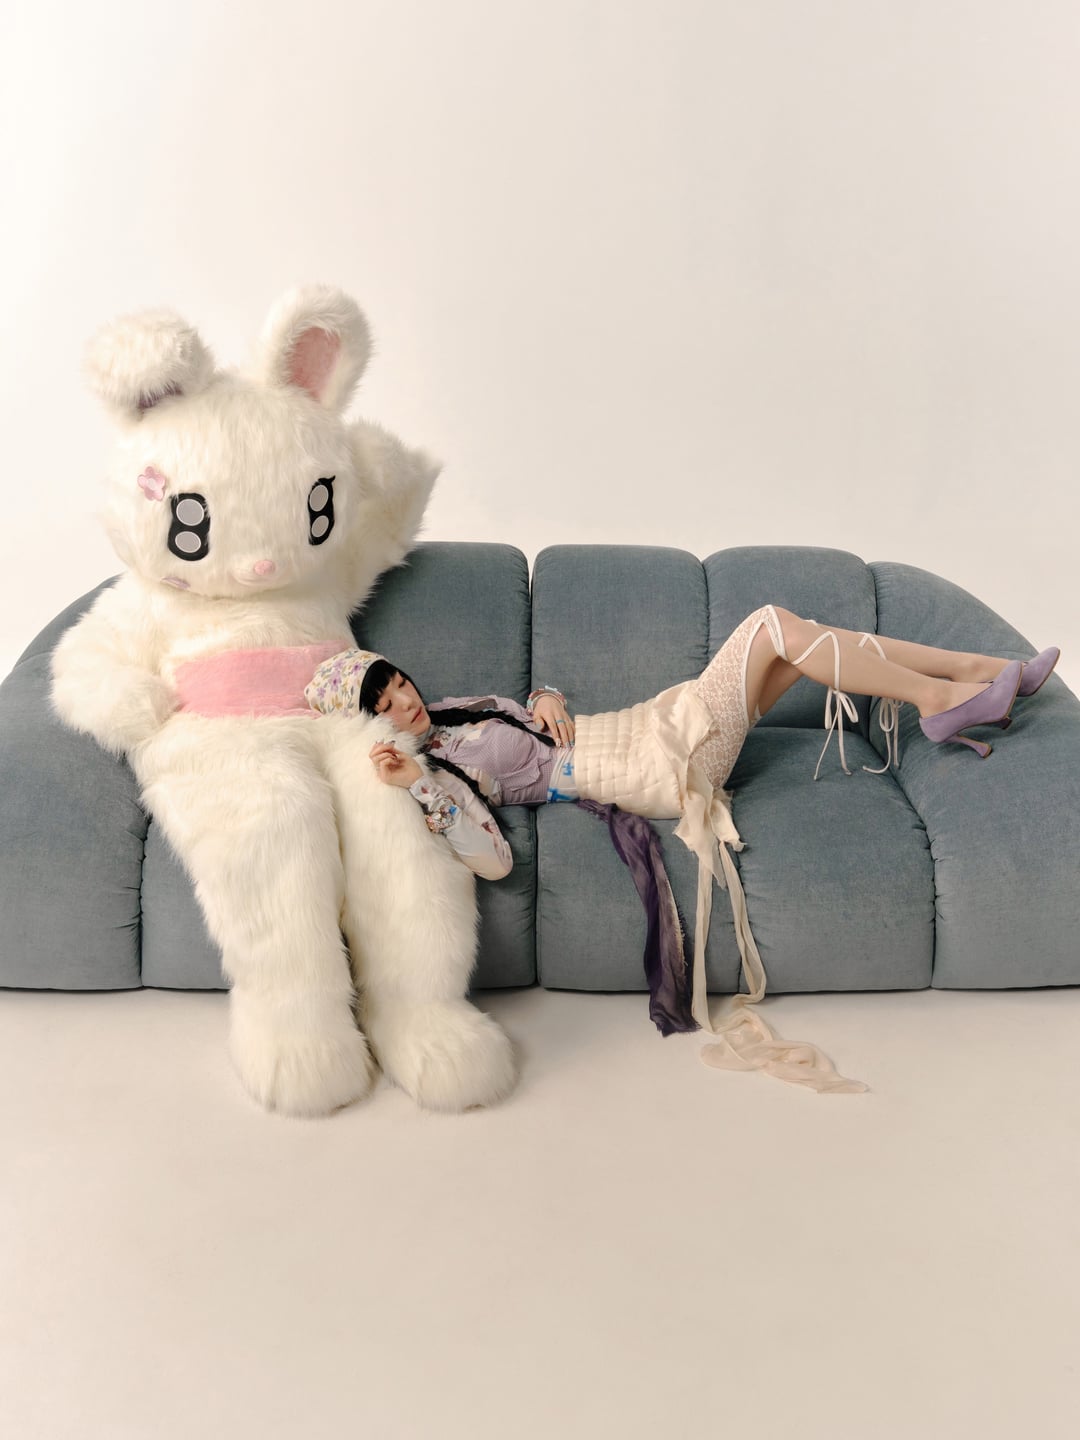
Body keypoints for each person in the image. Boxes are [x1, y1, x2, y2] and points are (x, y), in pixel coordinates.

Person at [305, 612, 1060, 1094]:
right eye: (385, 703)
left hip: (640, 723)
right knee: (771, 626)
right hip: (647, 765)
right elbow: (493, 859)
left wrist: (546, 697)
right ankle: (947, 692)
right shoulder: (433, 773)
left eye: (398, 682)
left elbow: (523, 717)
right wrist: (416, 785)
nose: (404, 699)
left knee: (789, 640)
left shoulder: (448, 713)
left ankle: (969, 676)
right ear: (367, 726)